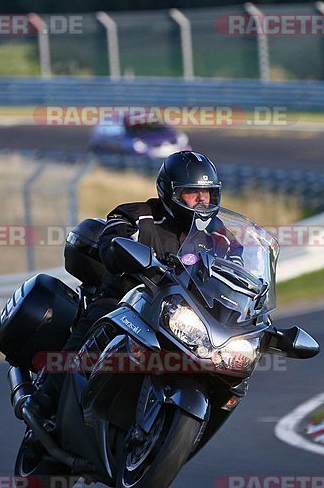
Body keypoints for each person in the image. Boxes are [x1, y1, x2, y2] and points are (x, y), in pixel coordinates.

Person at [24, 150, 223, 419]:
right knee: (99, 321)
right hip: (127, 299)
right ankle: (47, 395)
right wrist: (132, 254)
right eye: (192, 192)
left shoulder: (216, 232)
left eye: (207, 193)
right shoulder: (138, 215)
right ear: (170, 192)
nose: (202, 200)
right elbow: (111, 242)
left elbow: (237, 264)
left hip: (179, 315)